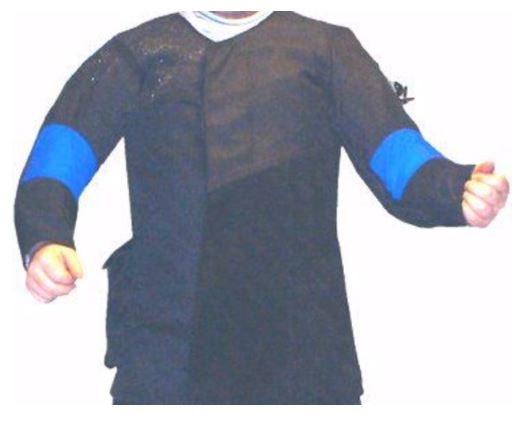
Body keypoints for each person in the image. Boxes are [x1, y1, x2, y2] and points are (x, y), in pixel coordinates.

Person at [14, 11, 509, 405]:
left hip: (303, 356)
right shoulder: (137, 54)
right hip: (167, 356)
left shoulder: (326, 50)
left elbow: (395, 152)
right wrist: (45, 237)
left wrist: (455, 189)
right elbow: (58, 154)